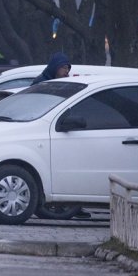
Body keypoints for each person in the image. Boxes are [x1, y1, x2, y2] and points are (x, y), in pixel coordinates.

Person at [32, 52, 91, 219]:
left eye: (68, 68)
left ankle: (72, 205)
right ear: (55, 68)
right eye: (64, 67)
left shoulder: (61, 83)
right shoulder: (43, 83)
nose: (66, 71)